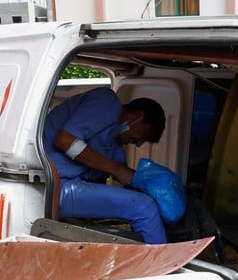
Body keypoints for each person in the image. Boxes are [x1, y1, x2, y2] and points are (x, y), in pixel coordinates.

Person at [43, 86, 168, 243]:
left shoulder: (113, 146)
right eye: (144, 135)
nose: (139, 144)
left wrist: (159, 189)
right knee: (144, 208)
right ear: (139, 116)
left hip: (67, 189)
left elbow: (125, 178)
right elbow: (65, 140)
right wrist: (117, 170)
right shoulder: (107, 101)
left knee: (143, 202)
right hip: (52, 186)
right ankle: (162, 266)